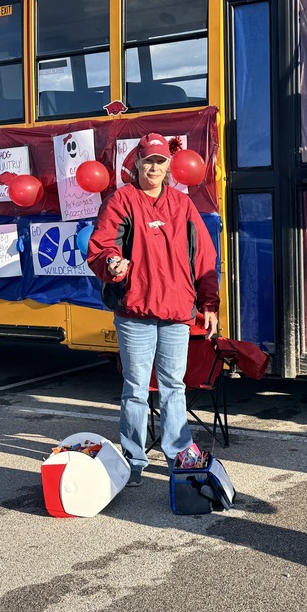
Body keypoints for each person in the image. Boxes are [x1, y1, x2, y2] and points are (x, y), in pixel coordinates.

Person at [87, 133, 220, 486]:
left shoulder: (182, 204)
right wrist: (112, 265)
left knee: (174, 386)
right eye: (149, 161)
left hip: (177, 312)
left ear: (168, 166)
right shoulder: (122, 200)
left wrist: (209, 304)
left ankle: (179, 455)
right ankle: (133, 460)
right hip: (135, 313)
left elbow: (204, 258)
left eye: (160, 162)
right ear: (137, 163)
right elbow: (101, 248)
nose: (154, 168)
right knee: (135, 388)